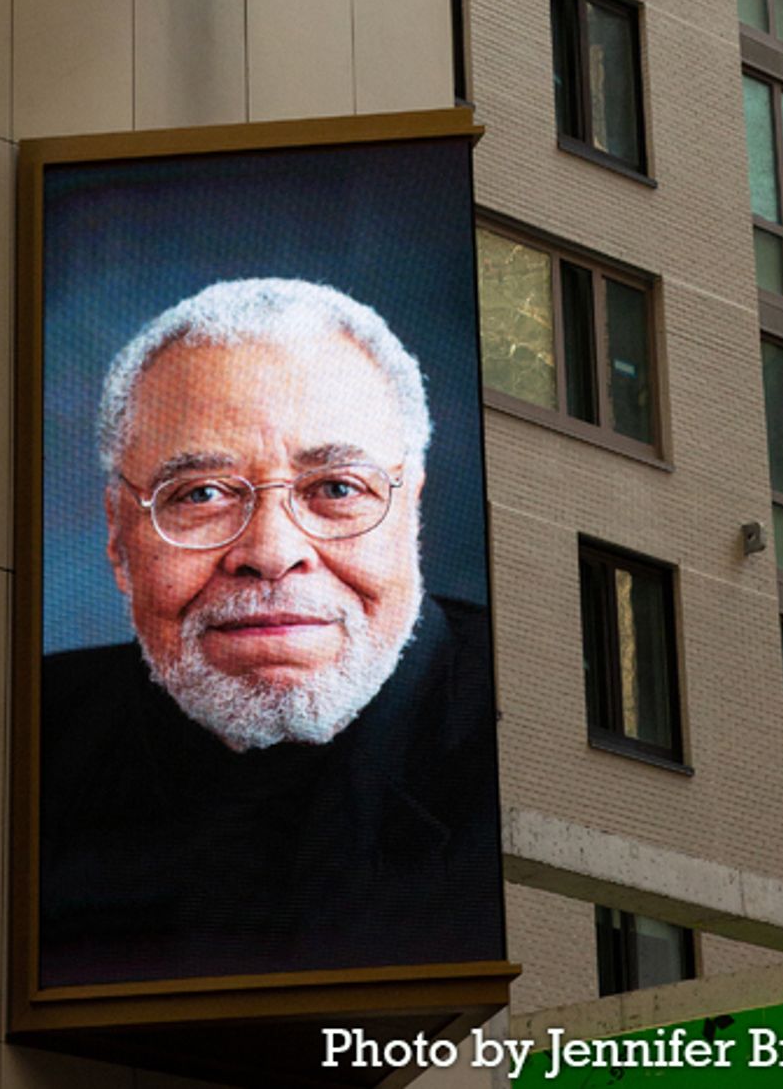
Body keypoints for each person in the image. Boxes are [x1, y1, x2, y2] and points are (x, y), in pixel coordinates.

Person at [38, 277, 503, 985]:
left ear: (411, 509)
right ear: (116, 533)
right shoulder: (21, 742)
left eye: (338, 489)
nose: (272, 550)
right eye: (201, 495)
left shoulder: (532, 728)